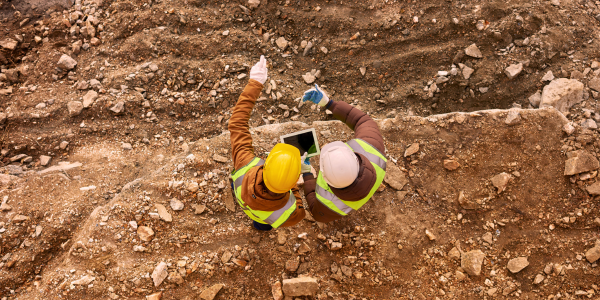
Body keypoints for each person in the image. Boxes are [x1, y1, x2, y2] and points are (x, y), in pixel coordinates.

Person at [228, 56, 306, 231]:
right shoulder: (291, 213)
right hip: (268, 217)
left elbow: (236, 123)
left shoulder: (245, 164)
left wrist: (255, 82)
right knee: (263, 223)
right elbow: (301, 212)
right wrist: (294, 186)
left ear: (266, 164)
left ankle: (255, 219)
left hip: (245, 197)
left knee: (254, 210)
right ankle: (260, 226)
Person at [300, 84, 387, 223]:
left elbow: (315, 212)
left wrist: (306, 173)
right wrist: (329, 103)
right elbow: (362, 120)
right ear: (354, 156)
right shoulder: (373, 149)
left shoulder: (327, 202)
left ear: (324, 178)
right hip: (367, 186)